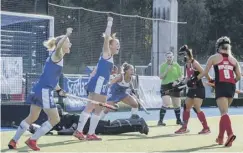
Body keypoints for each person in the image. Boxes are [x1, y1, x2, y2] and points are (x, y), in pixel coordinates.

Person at [8, 28, 73, 151]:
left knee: (32, 117)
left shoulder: (57, 57)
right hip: (44, 91)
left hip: (38, 89)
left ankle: (14, 140)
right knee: (55, 119)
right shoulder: (57, 54)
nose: (70, 44)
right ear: (62, 44)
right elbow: (59, 46)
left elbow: (52, 80)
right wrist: (67, 34)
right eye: (68, 42)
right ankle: (32, 140)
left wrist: (59, 90)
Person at [73, 16, 120, 141]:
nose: (118, 46)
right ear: (110, 46)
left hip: (102, 84)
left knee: (98, 108)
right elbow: (106, 39)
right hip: (99, 84)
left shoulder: (109, 57)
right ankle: (80, 131)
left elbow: (99, 70)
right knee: (91, 107)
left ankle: (89, 133)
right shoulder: (107, 53)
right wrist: (109, 24)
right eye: (116, 44)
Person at [193, 36, 241, 147]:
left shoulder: (214, 57)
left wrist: (195, 79)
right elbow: (238, 76)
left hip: (221, 86)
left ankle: (230, 134)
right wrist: (231, 82)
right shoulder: (234, 60)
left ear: (218, 47)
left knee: (224, 113)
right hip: (231, 87)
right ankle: (220, 138)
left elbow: (205, 72)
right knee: (223, 113)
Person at [28, 104, 148, 136]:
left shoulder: (70, 117)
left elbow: (72, 130)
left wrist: (59, 132)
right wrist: (33, 128)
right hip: (92, 128)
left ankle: (138, 124)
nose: (50, 116)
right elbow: (46, 130)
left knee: (114, 127)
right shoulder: (57, 123)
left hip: (92, 125)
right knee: (114, 125)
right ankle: (138, 123)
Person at [175, 45, 211, 134]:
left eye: (181, 55)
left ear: (187, 55)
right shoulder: (187, 65)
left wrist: (196, 79)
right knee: (186, 106)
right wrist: (181, 83)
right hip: (192, 89)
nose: (180, 57)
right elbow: (188, 77)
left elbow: (204, 72)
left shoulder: (195, 63)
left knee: (196, 107)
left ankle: (206, 128)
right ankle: (184, 127)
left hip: (199, 88)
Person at [158, 51, 183, 126]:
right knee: (166, 103)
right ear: (166, 58)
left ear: (173, 57)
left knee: (177, 104)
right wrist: (166, 70)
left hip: (174, 86)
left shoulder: (177, 65)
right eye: (167, 57)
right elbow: (161, 77)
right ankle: (160, 121)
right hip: (165, 86)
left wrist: (177, 81)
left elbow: (181, 76)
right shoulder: (163, 66)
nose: (169, 58)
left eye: (170, 57)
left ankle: (178, 120)